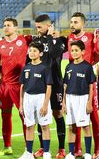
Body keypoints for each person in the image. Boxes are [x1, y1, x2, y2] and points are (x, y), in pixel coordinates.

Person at [31, 14, 68, 159]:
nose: (37, 29)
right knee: (41, 115)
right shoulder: (36, 41)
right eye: (36, 27)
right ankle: (42, 148)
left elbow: (53, 54)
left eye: (40, 27)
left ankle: (61, 149)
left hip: (56, 83)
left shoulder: (59, 40)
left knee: (57, 114)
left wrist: (53, 38)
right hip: (40, 83)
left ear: (49, 25)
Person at [67, 12, 99, 158]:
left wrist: (88, 68)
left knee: (92, 115)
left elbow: (98, 54)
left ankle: (97, 149)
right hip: (73, 81)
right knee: (75, 117)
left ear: (82, 24)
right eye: (71, 22)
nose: (72, 25)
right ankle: (77, 149)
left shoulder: (90, 37)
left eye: (75, 22)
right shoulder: (69, 38)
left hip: (87, 81)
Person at [0, 18, 30, 155]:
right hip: (4, 86)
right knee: (5, 115)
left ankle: (27, 148)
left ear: (16, 28)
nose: (6, 28)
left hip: (19, 85)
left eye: (9, 25)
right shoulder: (1, 43)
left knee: (24, 115)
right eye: (4, 25)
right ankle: (7, 146)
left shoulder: (24, 40)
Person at [18, 42, 53, 159]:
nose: (31, 53)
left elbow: (49, 86)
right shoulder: (26, 67)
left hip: (41, 98)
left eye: (35, 51)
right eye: (30, 50)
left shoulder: (45, 68)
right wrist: (21, 104)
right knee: (29, 126)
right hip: (28, 98)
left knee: (44, 126)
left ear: (41, 53)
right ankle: (28, 153)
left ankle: (47, 152)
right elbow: (22, 87)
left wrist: (45, 104)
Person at [62, 41, 95, 159]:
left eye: (76, 50)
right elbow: (65, 85)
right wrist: (64, 103)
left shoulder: (87, 67)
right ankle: (71, 153)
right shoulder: (69, 66)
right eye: (72, 50)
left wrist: (89, 102)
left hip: (83, 98)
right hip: (70, 98)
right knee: (71, 126)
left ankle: (87, 152)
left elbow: (91, 85)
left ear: (83, 52)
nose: (74, 53)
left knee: (85, 126)